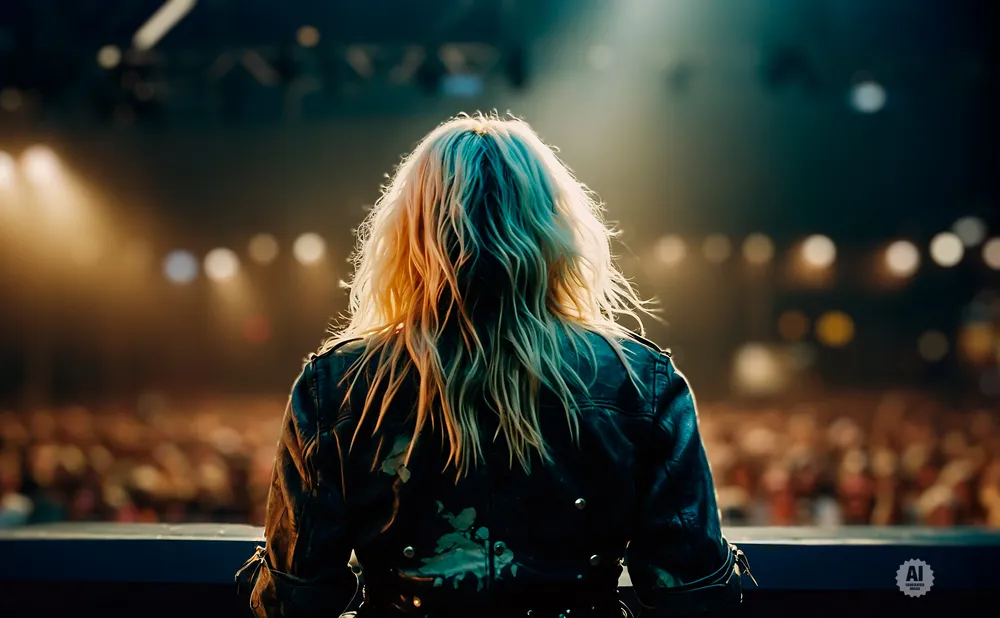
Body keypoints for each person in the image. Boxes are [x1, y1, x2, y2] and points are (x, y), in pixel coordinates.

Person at [237, 113, 751, 617]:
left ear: (411, 232)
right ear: (553, 228)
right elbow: (694, 596)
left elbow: (295, 599)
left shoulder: (337, 385)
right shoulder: (640, 381)